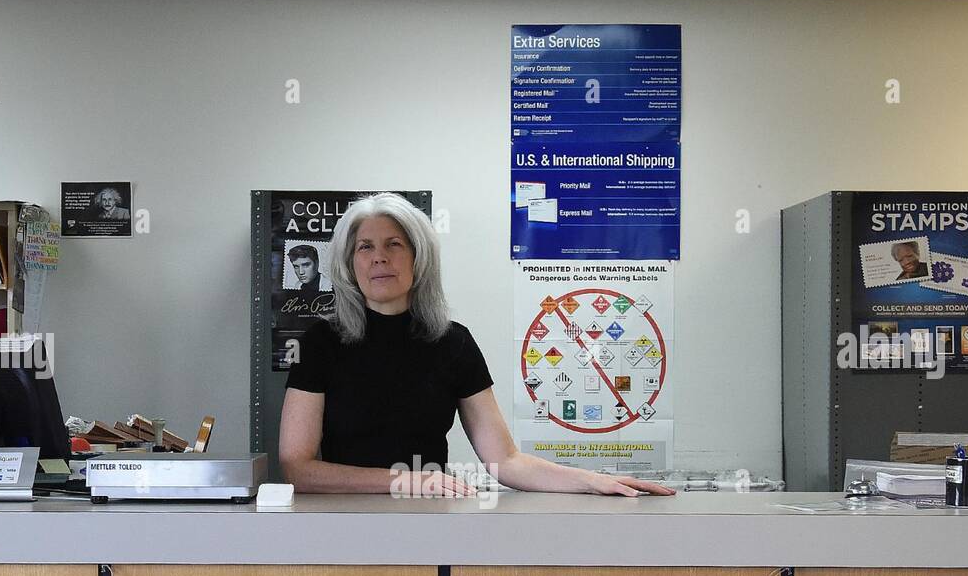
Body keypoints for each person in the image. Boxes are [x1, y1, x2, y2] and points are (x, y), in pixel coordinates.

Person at [279, 192, 674, 497]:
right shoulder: (321, 343)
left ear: (420, 259)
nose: (379, 258)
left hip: (429, 525)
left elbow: (506, 461)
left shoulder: (453, 342)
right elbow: (297, 467)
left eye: (394, 244)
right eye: (365, 247)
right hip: (336, 527)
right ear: (349, 264)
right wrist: (404, 481)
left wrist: (593, 481)